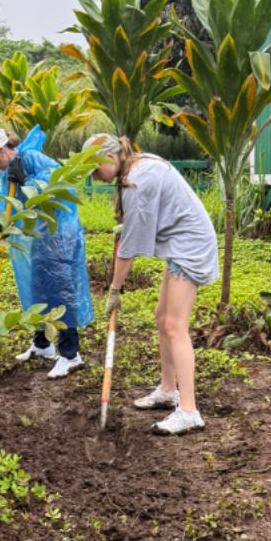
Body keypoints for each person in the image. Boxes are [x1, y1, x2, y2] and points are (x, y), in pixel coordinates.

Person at [83, 133, 219, 435]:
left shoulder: (137, 182)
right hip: (180, 243)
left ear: (109, 158)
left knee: (174, 325)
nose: (96, 177)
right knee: (162, 318)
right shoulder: (137, 167)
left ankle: (189, 410)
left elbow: (129, 251)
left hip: (190, 247)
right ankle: (169, 390)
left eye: (95, 170)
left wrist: (115, 290)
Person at [0, 128, 92, 377]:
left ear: (0, 151)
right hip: (38, 237)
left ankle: (71, 354)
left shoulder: (30, 158)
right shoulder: (8, 170)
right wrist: (1, 226)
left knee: (61, 291)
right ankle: (42, 345)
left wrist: (29, 183)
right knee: (38, 287)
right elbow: (4, 200)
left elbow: (61, 186)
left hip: (59, 234)